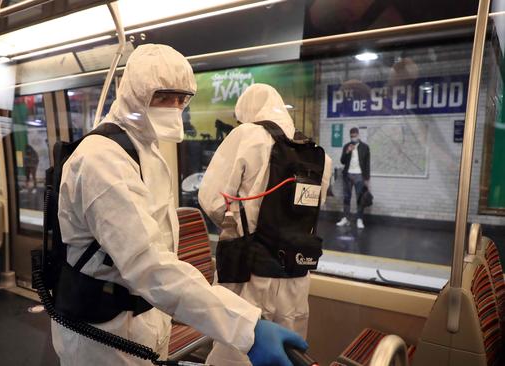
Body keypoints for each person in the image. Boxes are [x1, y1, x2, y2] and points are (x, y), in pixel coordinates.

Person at [53, 44, 306, 366]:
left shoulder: (146, 149)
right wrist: (246, 328)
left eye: (181, 99)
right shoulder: (101, 158)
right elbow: (146, 262)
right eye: (163, 97)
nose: (174, 107)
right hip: (103, 326)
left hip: (146, 314)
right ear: (134, 93)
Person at [199, 84, 332, 365]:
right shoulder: (318, 155)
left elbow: (211, 199)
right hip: (296, 274)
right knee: (285, 352)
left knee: (238, 348)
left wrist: (235, 224)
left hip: (247, 269)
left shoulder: (247, 135)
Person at [336, 127, 370, 229]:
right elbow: (342, 161)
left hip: (359, 175)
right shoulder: (347, 146)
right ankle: (346, 218)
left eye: (354, 136)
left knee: (359, 198)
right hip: (348, 175)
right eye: (351, 136)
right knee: (346, 197)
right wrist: (347, 151)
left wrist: (367, 178)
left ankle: (359, 219)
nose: (353, 138)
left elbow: (367, 164)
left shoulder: (365, 147)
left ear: (358, 135)